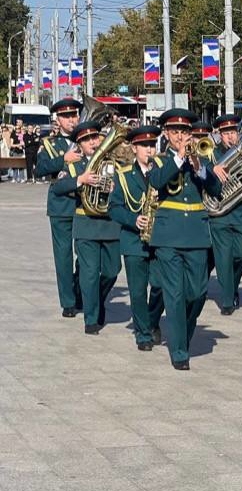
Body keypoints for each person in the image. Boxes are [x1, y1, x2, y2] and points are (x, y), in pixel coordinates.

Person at [147, 109, 222, 370]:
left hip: (197, 235)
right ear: (166, 134)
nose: (181, 136)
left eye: (185, 132)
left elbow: (216, 189)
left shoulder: (200, 159)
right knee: (175, 294)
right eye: (175, 132)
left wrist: (200, 168)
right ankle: (179, 351)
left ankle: (183, 335)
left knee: (198, 293)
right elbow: (156, 181)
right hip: (168, 235)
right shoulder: (159, 161)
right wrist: (178, 159)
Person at [51, 121, 122, 335]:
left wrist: (114, 188)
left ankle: (96, 300)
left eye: (95, 138)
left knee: (112, 270)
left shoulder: (112, 164)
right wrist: (80, 180)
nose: (92, 142)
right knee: (89, 273)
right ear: (79, 145)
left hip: (109, 224)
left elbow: (123, 187)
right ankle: (91, 319)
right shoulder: (73, 167)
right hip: (86, 223)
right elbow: (58, 188)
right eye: (86, 140)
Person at [108, 125, 165, 350]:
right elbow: (114, 208)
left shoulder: (162, 170)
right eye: (144, 146)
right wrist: (133, 220)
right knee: (138, 290)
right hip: (133, 240)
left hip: (159, 238)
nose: (149, 150)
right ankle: (143, 334)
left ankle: (151, 320)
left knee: (160, 285)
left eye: (152, 145)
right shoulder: (122, 175)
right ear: (134, 148)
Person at [34, 99, 84, 317]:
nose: (71, 120)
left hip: (84, 203)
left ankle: (81, 288)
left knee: (86, 254)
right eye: (66, 116)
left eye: (74, 115)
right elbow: (40, 169)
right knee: (63, 255)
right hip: (60, 204)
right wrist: (64, 158)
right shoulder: (50, 144)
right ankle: (68, 301)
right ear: (58, 119)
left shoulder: (86, 140)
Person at [206, 114, 242, 315]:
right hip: (220, 213)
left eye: (233, 132)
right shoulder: (210, 155)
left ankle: (232, 286)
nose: (230, 137)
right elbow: (199, 170)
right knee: (223, 258)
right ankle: (227, 300)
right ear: (219, 135)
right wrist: (212, 169)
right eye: (226, 133)